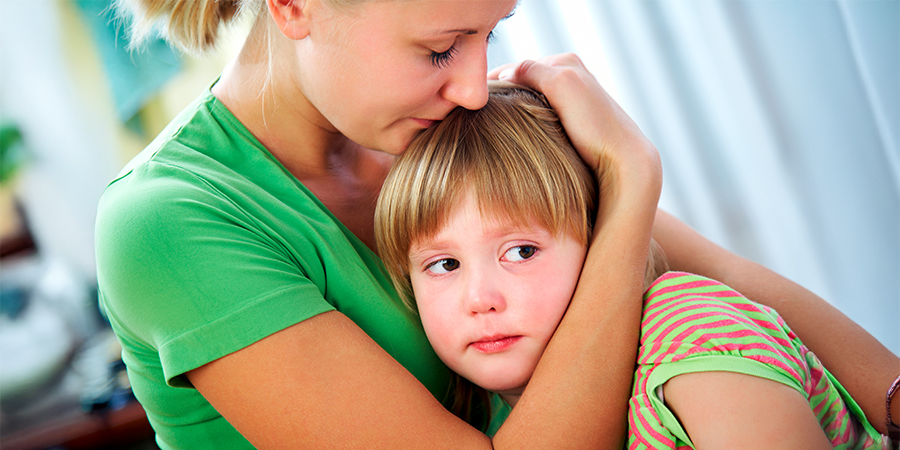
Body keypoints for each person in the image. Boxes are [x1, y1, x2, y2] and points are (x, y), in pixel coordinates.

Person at [95, 0, 899, 448]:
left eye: (491, 33)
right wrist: (628, 181)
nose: (476, 86)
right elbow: (635, 246)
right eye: (442, 47)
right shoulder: (169, 222)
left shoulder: (429, 129)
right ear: (295, 6)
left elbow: (724, 286)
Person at [374, 82, 892, 449]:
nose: (480, 297)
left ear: (605, 241)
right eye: (444, 264)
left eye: (522, 252)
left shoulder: (688, 334)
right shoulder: (486, 418)